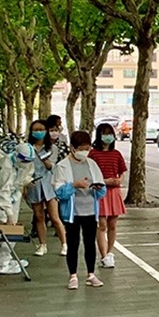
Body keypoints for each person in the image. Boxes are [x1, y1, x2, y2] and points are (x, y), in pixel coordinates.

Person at [54, 131, 107, 290]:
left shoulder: (91, 164)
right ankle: (73, 275)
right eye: (82, 148)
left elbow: (101, 188)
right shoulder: (62, 166)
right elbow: (59, 192)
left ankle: (91, 274)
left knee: (90, 243)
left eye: (87, 148)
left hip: (90, 209)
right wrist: (74, 185)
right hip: (72, 212)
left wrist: (98, 188)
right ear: (72, 148)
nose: (85, 151)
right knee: (73, 243)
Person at [25, 120, 68, 256]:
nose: (38, 132)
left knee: (55, 217)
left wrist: (46, 161)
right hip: (34, 184)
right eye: (35, 129)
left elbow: (53, 167)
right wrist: (25, 183)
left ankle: (65, 244)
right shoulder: (27, 148)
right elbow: (23, 168)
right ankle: (42, 245)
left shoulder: (52, 148)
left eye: (41, 129)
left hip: (49, 184)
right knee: (38, 216)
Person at [90, 122, 127, 268]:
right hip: (100, 192)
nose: (108, 136)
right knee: (102, 224)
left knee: (112, 224)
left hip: (114, 192)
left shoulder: (116, 154)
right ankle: (104, 255)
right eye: (105, 133)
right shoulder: (93, 154)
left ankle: (110, 253)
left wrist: (119, 180)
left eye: (110, 133)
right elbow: (90, 174)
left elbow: (122, 171)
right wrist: (104, 181)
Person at [0, 143, 35, 224]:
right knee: (1, 222)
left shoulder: (27, 163)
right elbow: (1, 192)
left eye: (29, 161)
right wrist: (9, 214)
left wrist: (27, 180)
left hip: (14, 195)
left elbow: (26, 173)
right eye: (24, 160)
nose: (26, 163)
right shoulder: (6, 166)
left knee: (13, 224)